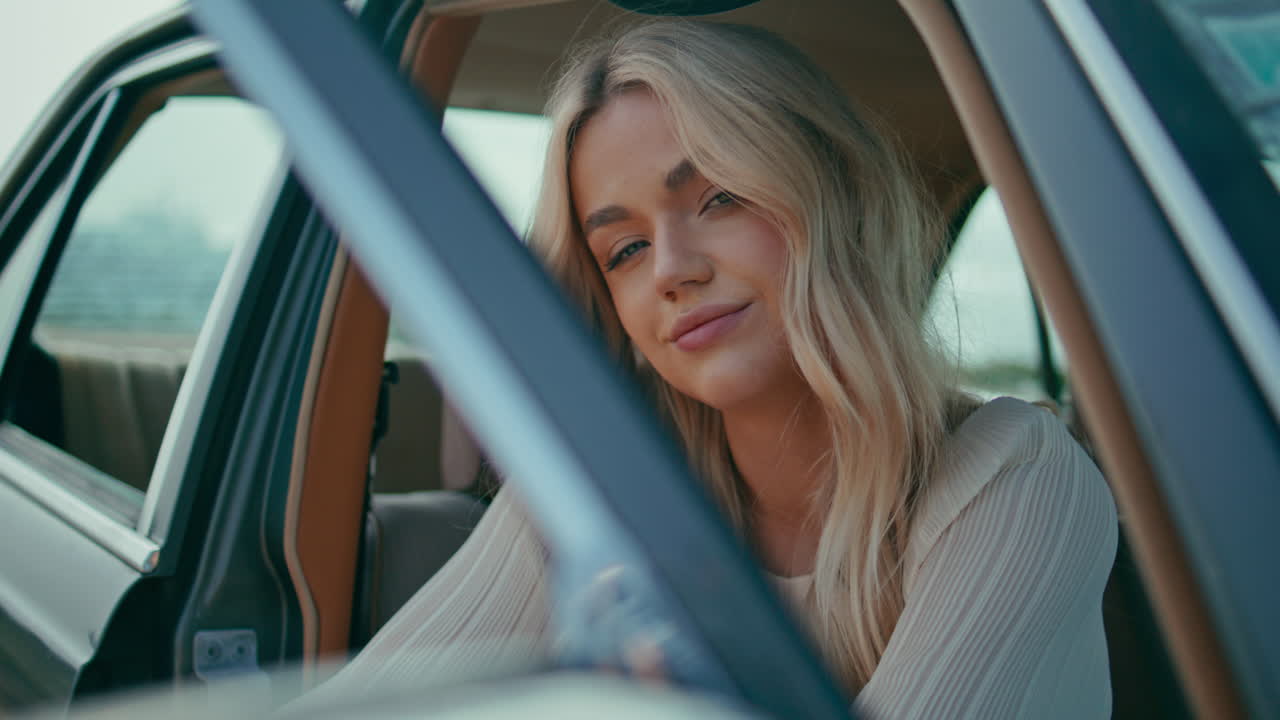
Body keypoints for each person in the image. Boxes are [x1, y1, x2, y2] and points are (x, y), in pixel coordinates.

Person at [305, 20, 1118, 718]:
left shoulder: (1016, 474)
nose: (670, 269)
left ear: (836, 197)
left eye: (719, 197)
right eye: (622, 250)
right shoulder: (599, 492)